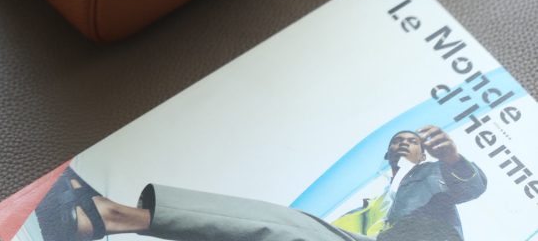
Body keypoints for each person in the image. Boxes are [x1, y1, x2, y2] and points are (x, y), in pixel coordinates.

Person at [33, 124, 486, 241]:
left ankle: (112, 217)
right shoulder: (375, 185)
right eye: (397, 140)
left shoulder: (435, 174)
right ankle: (110, 218)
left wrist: (451, 158)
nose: (403, 143)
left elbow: (471, 187)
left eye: (411, 140)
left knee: (295, 229)